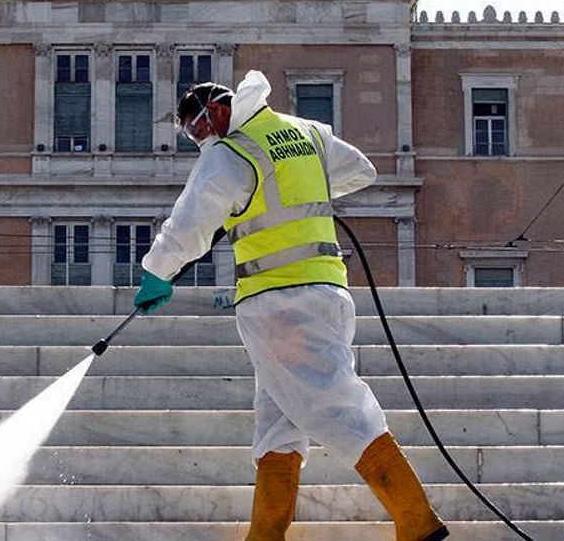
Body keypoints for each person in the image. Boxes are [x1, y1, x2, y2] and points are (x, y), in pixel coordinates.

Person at [133, 70, 448, 541]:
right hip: (327, 291)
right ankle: (265, 535)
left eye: (196, 130)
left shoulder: (231, 151)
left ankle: (416, 519)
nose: (198, 140)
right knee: (278, 424)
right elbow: (362, 169)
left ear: (216, 111)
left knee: (339, 408)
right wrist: (291, 195)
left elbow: (189, 223)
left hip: (279, 301)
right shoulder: (306, 131)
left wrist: (157, 271)